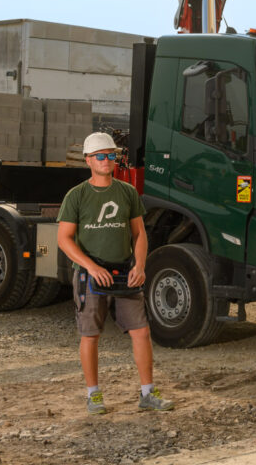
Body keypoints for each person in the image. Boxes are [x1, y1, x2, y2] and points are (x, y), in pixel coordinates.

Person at [57, 132, 174, 414]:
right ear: (88, 160)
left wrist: (140, 266)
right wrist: (92, 267)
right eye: (101, 156)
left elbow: (139, 233)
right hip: (91, 274)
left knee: (141, 332)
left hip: (124, 272)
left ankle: (147, 393)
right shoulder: (77, 196)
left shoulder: (127, 192)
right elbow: (64, 239)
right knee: (90, 334)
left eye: (111, 155)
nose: (107, 160)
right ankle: (93, 395)